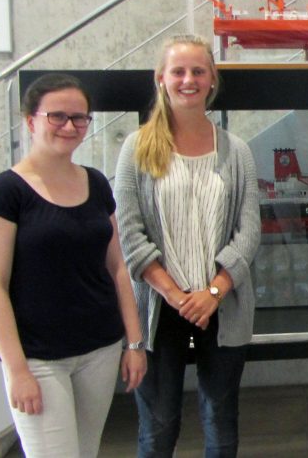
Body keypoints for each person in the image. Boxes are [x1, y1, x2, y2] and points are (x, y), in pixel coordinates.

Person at [0, 73, 147, 458]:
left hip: (99, 350)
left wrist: (134, 343)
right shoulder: (7, 192)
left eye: (80, 118)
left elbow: (117, 268)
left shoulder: (96, 184)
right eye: (57, 116)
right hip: (38, 358)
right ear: (31, 121)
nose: (70, 126)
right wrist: (17, 370)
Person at [114, 34, 260, 458]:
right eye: (178, 71)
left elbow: (248, 232)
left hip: (222, 304)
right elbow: (130, 233)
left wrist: (213, 292)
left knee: (221, 424)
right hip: (161, 309)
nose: (188, 80)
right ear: (161, 78)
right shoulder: (136, 149)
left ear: (212, 79)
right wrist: (178, 296)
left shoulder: (237, 152)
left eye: (198, 71)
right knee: (158, 430)